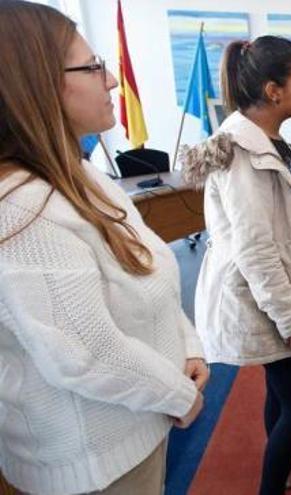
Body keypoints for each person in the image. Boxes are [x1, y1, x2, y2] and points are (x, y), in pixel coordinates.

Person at [0, 2, 207, 494]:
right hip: (94, 461)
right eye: (93, 67)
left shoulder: (79, 173)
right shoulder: (18, 208)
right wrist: (178, 394)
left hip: (138, 425)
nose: (111, 80)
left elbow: (147, 266)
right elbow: (83, 353)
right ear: (34, 83)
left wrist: (188, 346)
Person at [180, 36, 291, 493]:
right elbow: (255, 249)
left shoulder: (269, 140)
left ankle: (284, 472)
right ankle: (274, 486)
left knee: (283, 393)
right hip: (274, 303)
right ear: (272, 90)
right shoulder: (243, 154)